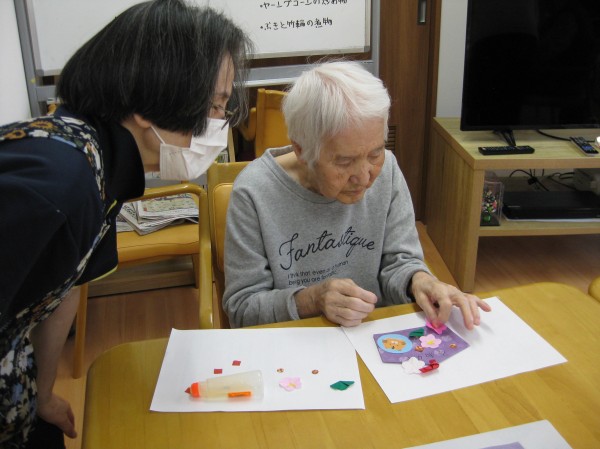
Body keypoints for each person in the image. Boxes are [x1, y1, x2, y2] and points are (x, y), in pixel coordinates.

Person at [0, 1, 252, 447]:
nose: (220, 122)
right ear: (148, 106)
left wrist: (43, 395)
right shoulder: (59, 180)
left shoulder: (104, 163)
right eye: (215, 104)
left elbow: (68, 285)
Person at [223, 60, 492, 330]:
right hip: (298, 341)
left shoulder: (387, 170)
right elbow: (242, 309)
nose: (364, 177)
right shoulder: (254, 192)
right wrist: (312, 300)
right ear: (301, 150)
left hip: (374, 334)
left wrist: (421, 281)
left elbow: (400, 262)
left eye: (375, 153)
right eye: (344, 161)